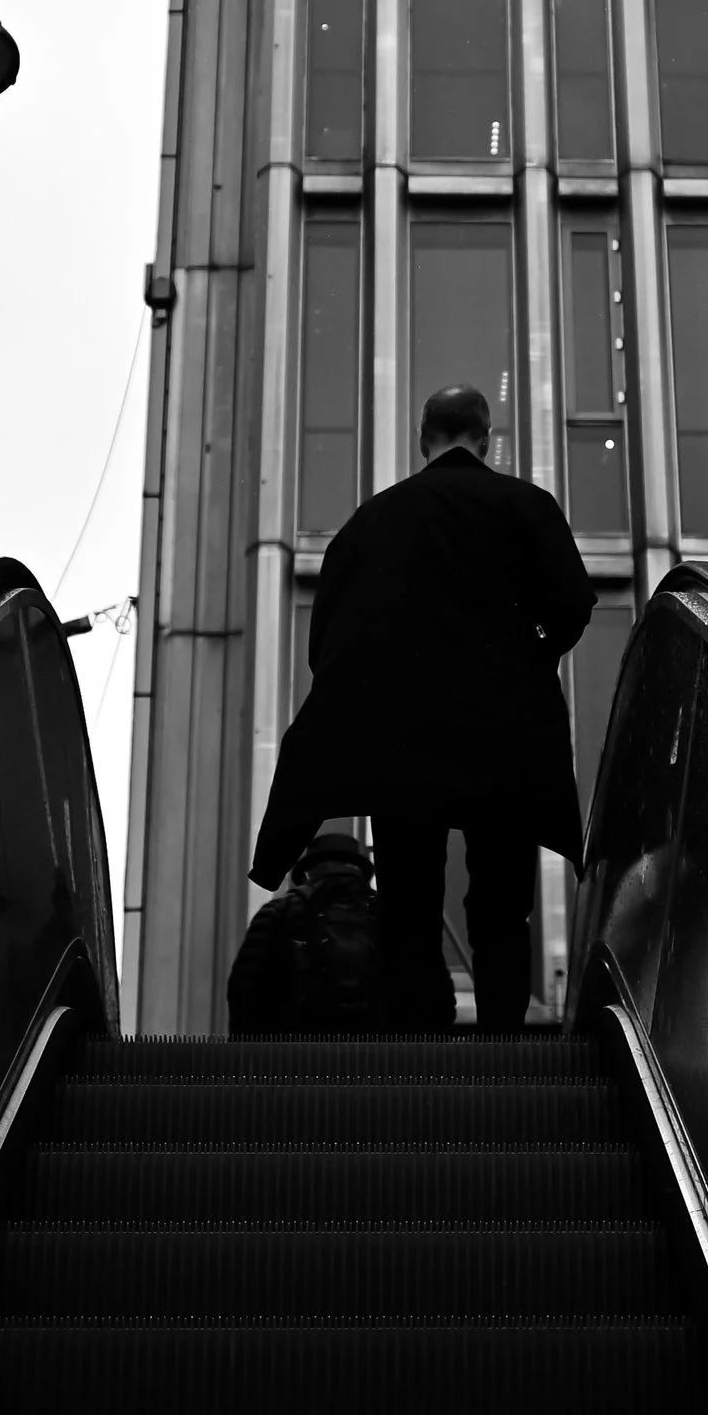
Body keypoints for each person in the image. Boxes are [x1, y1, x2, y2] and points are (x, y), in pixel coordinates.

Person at [249, 382, 595, 1032]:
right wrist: (532, 655)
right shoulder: (524, 505)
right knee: (501, 909)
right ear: (485, 438)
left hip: (400, 745)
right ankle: (503, 1053)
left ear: (421, 439)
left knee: (410, 906)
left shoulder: (371, 523)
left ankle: (418, 1052)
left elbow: (325, 643)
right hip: (503, 741)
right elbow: (573, 604)